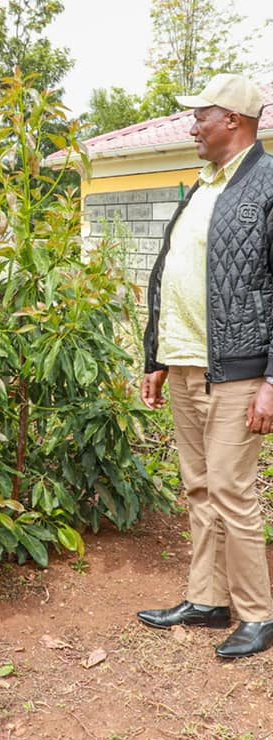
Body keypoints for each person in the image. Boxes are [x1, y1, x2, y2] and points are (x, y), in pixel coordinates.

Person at [138, 74, 273, 659]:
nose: (191, 125)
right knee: (198, 487)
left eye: (201, 116)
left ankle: (257, 614)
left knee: (230, 489)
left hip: (239, 368)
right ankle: (207, 598)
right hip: (188, 361)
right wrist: (157, 355)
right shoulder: (203, 185)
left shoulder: (267, 183)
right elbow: (170, 271)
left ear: (234, 122)